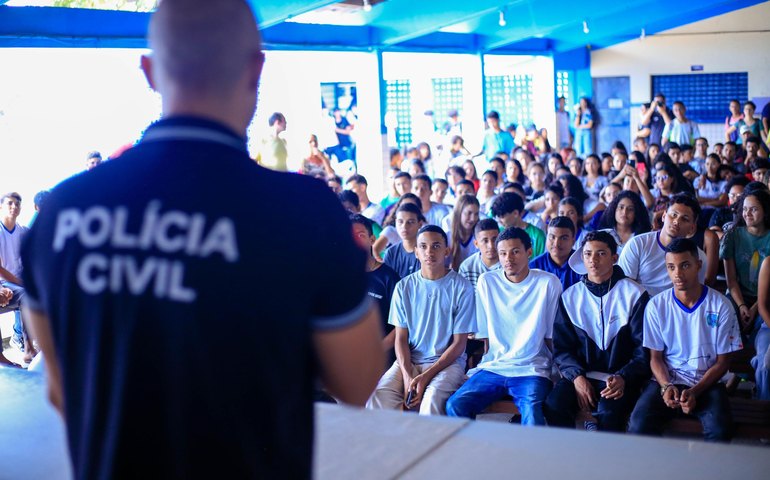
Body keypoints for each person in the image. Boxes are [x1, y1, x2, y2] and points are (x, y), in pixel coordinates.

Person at [20, 2, 383, 477]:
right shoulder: (306, 211)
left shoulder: (62, 210)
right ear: (256, 68)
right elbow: (356, 383)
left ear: (149, 71)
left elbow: (61, 389)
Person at [628, 239, 742, 442]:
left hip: (706, 382)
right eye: (671, 267)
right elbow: (655, 358)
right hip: (668, 379)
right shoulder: (656, 305)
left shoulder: (721, 305)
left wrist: (695, 392)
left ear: (698, 265)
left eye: (685, 265)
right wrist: (665, 386)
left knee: (720, 430)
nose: (678, 274)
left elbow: (723, 362)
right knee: (638, 425)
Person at [446, 227, 561, 425]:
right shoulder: (487, 281)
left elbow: (550, 337)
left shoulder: (547, 283)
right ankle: (473, 453)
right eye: (503, 253)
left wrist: (556, 373)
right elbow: (486, 338)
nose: (508, 258)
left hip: (531, 368)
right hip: (495, 367)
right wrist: (484, 364)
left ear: (529, 251)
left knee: (533, 415)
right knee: (455, 405)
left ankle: (530, 456)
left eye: (515, 251)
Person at [545, 231, 650, 432]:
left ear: (614, 258)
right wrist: (577, 377)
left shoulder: (634, 294)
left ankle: (606, 462)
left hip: (620, 379)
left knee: (610, 414)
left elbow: (642, 350)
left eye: (601, 253)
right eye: (588, 254)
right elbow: (562, 349)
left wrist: (623, 377)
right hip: (581, 375)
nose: (593, 260)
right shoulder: (571, 296)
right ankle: (563, 458)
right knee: (554, 405)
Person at [367, 225, 475, 415]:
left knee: (430, 402)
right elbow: (400, 339)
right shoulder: (404, 287)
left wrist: (426, 376)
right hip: (409, 361)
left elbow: (459, 344)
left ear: (446, 250)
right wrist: (408, 375)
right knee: (377, 397)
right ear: (416, 252)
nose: (429, 252)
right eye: (423, 246)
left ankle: (428, 445)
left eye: (436, 246)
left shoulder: (461, 287)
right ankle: (394, 444)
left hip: (447, 364)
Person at [720, 189, 770, 399]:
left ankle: (742, 376)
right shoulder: (733, 235)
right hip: (737, 294)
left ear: (766, 212)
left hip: (765, 297)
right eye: (745, 209)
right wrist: (741, 305)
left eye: (754, 209)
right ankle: (730, 377)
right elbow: (731, 281)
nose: (748, 214)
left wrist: (755, 307)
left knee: (760, 325)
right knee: (726, 321)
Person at [618, 193, 710, 296]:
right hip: (638, 306)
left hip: (672, 308)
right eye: (673, 215)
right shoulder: (638, 244)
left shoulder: (698, 257)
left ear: (692, 228)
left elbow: (693, 293)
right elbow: (624, 287)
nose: (676, 221)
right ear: (664, 216)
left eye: (685, 219)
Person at [351, 214, 400, 367]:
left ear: (372, 240)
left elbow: (401, 326)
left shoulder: (389, 278)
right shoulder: (342, 276)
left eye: (361, 235)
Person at [0, 192, 34, 364]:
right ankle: (2, 355)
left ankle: (29, 348)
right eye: (10, 203)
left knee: (33, 295)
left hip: (18, 282)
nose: (14, 207)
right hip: (3, 282)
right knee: (25, 293)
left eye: (17, 204)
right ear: (1, 207)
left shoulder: (21, 231)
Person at [529, 216, 580, 290]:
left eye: (563, 238)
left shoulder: (582, 266)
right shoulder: (534, 266)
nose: (556, 243)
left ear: (573, 241)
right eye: (552, 237)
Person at [491, 193, 545, 259]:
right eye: (497, 217)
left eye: (502, 217)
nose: (499, 221)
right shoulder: (498, 232)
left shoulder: (537, 235)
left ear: (515, 213)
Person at [383, 203, 425, 278]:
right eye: (400, 222)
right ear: (395, 222)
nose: (404, 226)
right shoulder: (391, 253)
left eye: (410, 222)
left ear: (420, 224)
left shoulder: (426, 252)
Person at [458, 218, 501, 289]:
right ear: (476, 244)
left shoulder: (508, 264)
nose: (491, 245)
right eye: (485, 241)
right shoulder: (466, 267)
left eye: (494, 239)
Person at [446, 195, 480, 271]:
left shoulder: (479, 237)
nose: (473, 219)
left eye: (476, 214)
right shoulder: (447, 237)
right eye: (469, 213)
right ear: (459, 213)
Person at [756, 256, 770, 400]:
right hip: (769, 326)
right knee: (765, 365)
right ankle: (764, 404)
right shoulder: (768, 263)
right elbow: (762, 307)